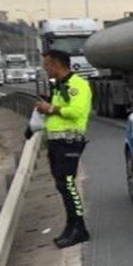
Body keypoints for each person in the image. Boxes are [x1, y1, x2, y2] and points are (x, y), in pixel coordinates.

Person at [35, 49, 93, 248]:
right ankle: (71, 225)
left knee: (68, 185)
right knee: (61, 185)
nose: (45, 69)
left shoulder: (78, 85)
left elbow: (76, 111)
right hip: (56, 143)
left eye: (47, 65)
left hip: (69, 142)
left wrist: (50, 109)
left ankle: (80, 228)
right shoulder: (58, 86)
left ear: (57, 64)